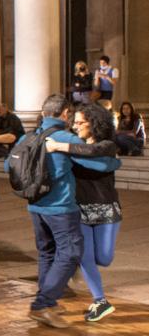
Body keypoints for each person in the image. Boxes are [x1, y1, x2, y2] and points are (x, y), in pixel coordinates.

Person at [5, 94, 120, 329]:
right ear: (65, 114)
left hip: (35, 206)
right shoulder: (64, 138)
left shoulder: (28, 136)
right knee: (71, 253)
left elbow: (9, 165)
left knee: (47, 253)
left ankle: (47, 301)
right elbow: (100, 165)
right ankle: (43, 304)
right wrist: (115, 163)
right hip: (61, 208)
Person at [45, 103, 122, 322]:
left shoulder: (107, 145)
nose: (76, 126)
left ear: (94, 123)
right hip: (80, 210)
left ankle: (85, 271)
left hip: (107, 209)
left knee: (104, 258)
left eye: (81, 122)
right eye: (74, 122)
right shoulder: (75, 143)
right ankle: (100, 300)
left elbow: (93, 151)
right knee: (85, 256)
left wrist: (59, 147)